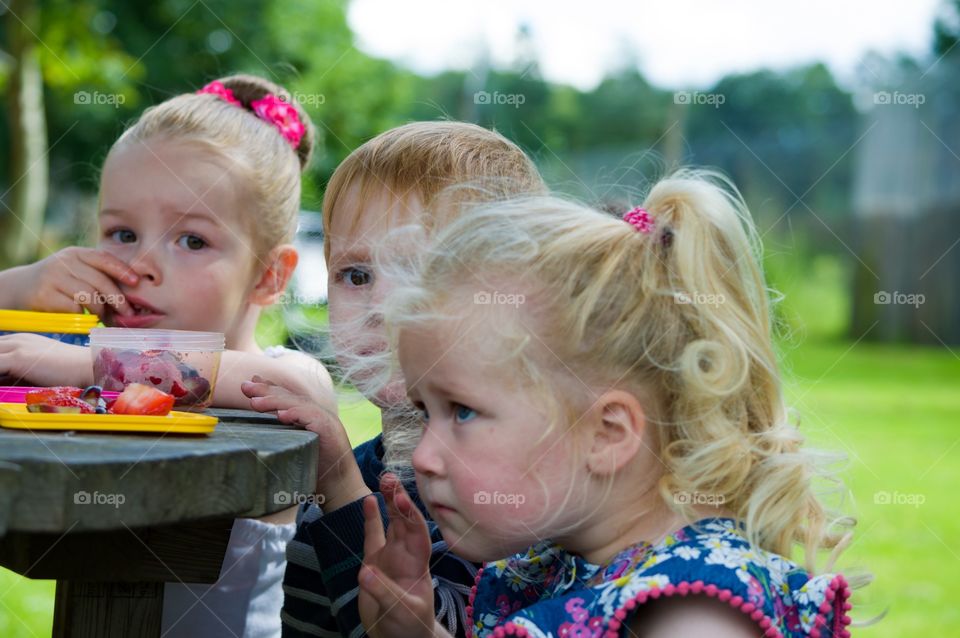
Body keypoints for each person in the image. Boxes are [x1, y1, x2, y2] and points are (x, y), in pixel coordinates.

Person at [358, 170, 863, 638]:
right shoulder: (574, 563)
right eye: (426, 411)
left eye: (462, 411)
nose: (423, 456)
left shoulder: (692, 614)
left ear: (609, 433)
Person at [0, 74, 335, 638]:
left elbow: (293, 387)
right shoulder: (80, 358)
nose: (142, 264)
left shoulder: (286, 371)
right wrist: (16, 287)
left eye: (193, 240)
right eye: (122, 233)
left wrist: (88, 365)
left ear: (269, 275)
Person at [241, 121, 547, 637]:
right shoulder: (360, 465)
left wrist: (341, 493)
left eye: (422, 274)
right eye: (357, 275)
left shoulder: (506, 495)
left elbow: (417, 626)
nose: (381, 308)